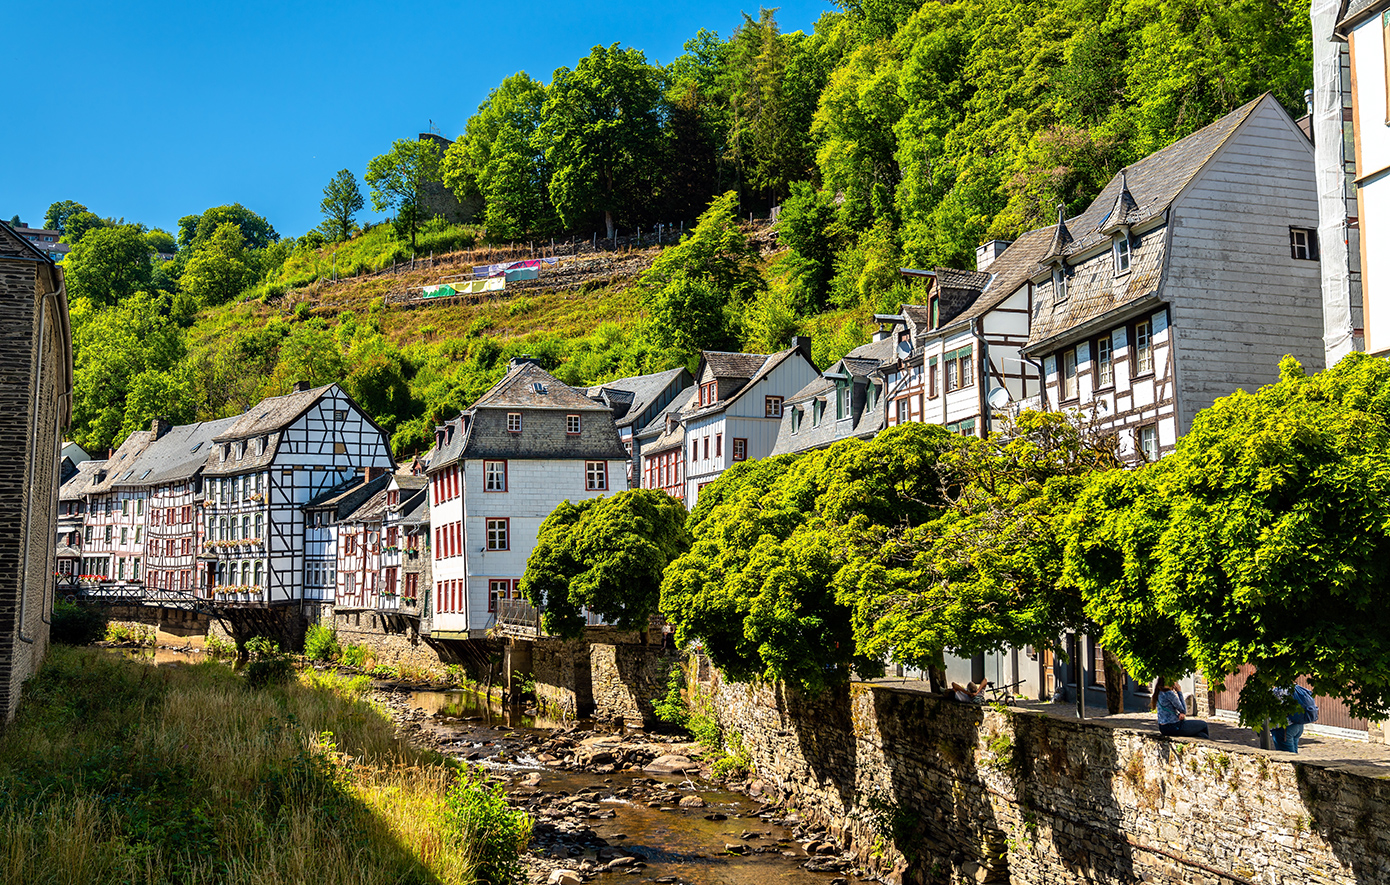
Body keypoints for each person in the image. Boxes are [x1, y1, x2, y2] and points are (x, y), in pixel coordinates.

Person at [1271, 684, 1315, 754]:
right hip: (1298, 725)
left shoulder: (1278, 690)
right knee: (1294, 753)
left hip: (1285, 727)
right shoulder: (1297, 688)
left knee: (1288, 756)